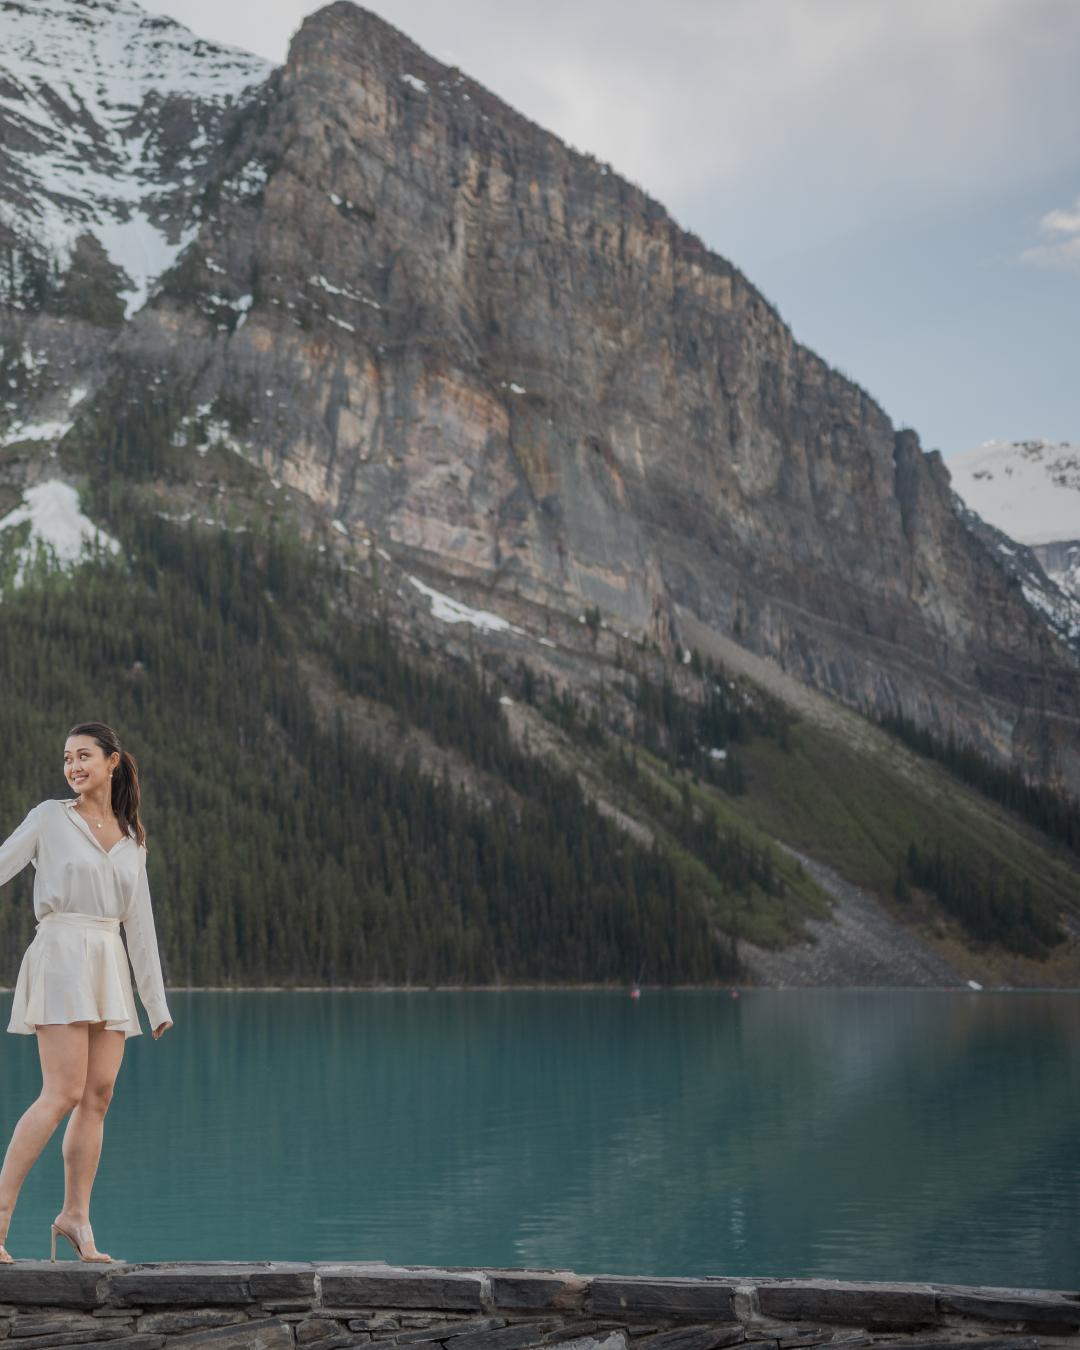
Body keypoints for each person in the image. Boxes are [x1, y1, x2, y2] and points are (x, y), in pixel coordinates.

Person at [0, 722, 172, 1264]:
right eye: (67, 758)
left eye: (84, 756)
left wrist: (156, 1003)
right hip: (60, 955)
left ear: (112, 761)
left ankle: (75, 1218)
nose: (73, 766)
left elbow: (138, 928)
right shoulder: (50, 817)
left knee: (98, 1096)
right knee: (62, 1093)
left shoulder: (131, 839)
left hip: (107, 964)